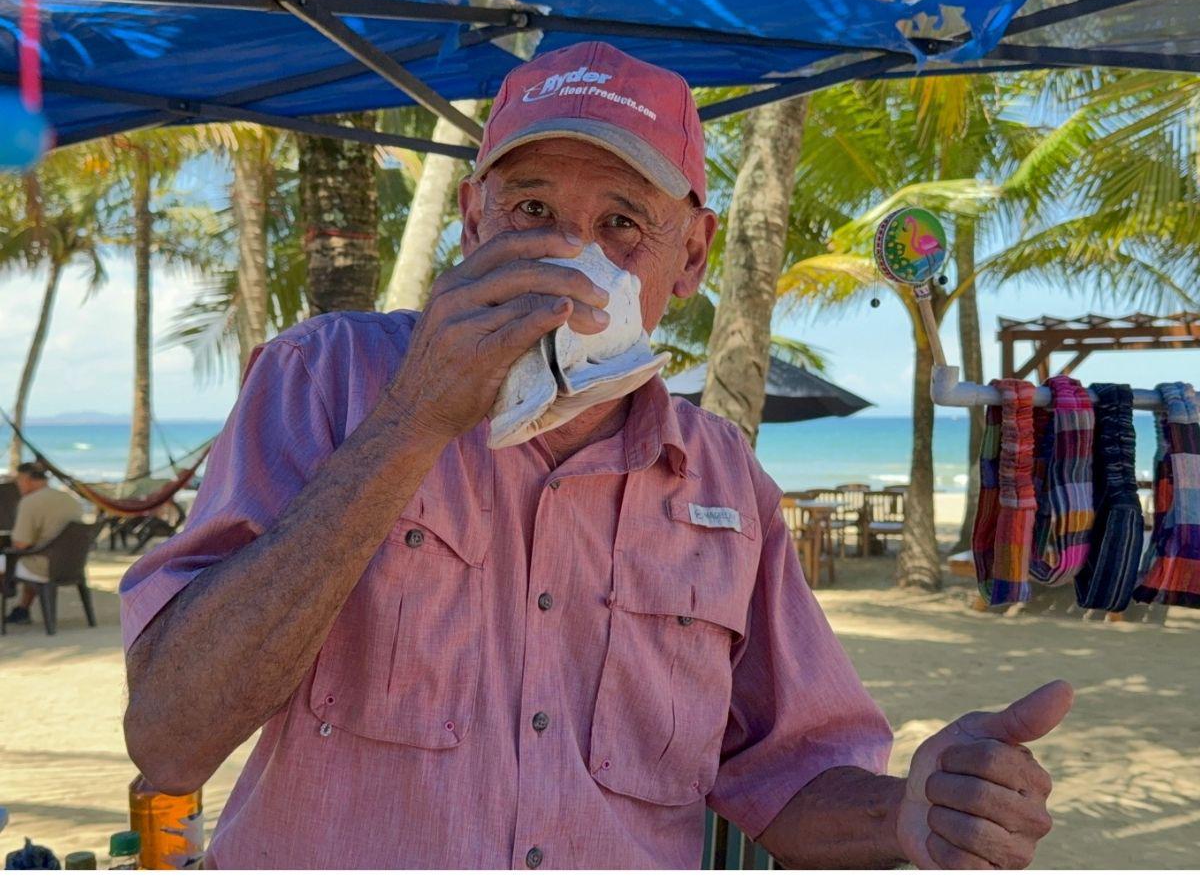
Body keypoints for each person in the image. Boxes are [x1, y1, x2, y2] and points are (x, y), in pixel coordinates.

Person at [119, 42, 1073, 870]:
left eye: (621, 223)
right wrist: (412, 420)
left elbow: (787, 773)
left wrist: (906, 813)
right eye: (533, 208)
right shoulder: (324, 376)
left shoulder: (723, 480)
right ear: (473, 223)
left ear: (691, 257)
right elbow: (169, 737)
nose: (570, 255)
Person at [2, 461, 83, 624]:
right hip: (73, 566)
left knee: (11, 560)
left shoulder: (30, 502)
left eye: (18, 481)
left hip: (44, 566)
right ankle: (23, 609)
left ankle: (9, 595)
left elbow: (20, 544)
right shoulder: (71, 500)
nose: (18, 485)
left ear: (26, 479)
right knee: (32, 555)